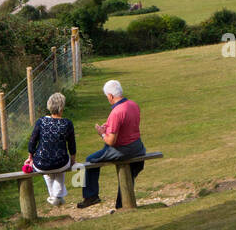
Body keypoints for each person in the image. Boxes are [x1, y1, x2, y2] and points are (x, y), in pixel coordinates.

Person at [77, 79, 147, 208]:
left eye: (106, 97)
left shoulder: (116, 112)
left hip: (122, 150)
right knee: (129, 173)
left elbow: (111, 141)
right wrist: (108, 127)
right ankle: (121, 205)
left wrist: (102, 133)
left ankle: (91, 196)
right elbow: (128, 126)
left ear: (110, 96)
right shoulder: (133, 105)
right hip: (138, 147)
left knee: (90, 160)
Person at [28, 92, 76, 206]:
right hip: (61, 162)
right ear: (62, 107)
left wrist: (30, 157)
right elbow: (72, 145)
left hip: (41, 163)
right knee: (59, 167)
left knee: (47, 168)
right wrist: (73, 159)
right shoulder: (67, 123)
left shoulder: (41, 121)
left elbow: (32, 142)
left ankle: (54, 196)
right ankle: (57, 196)